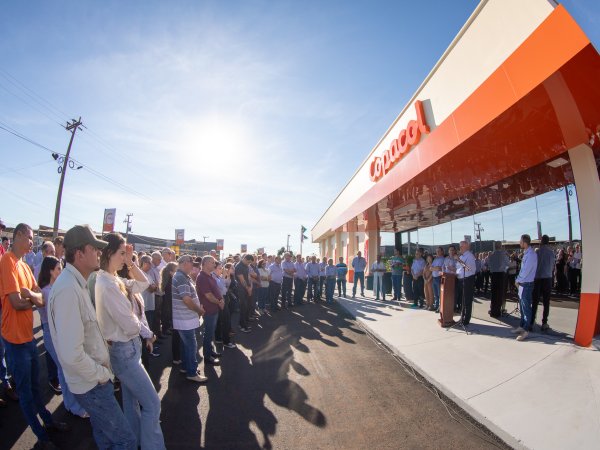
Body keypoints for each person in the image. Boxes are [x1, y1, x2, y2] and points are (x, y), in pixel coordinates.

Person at [0, 224, 70, 449]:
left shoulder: (23, 266)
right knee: (26, 393)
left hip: (28, 338)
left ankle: (48, 422)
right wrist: (33, 298)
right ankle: (42, 436)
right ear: (18, 235)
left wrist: (29, 296)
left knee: (35, 388)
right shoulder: (7, 262)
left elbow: (41, 298)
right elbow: (16, 303)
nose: (32, 242)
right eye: (30, 238)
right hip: (14, 340)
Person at [95, 233, 164, 449]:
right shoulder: (107, 284)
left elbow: (144, 283)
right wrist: (145, 330)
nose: (125, 257)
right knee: (152, 404)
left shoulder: (113, 279)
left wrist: (130, 262)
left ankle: (136, 443)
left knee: (132, 404)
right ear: (108, 253)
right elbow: (131, 326)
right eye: (121, 253)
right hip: (125, 352)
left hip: (127, 350)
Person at [38, 256, 88, 417]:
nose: (61, 271)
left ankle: (69, 404)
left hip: (58, 331)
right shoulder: (47, 291)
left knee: (64, 369)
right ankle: (74, 406)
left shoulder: (54, 288)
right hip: (52, 332)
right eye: (58, 268)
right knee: (65, 369)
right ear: (50, 271)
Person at [171, 255, 207, 382]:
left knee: (186, 345)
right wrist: (199, 310)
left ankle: (186, 367)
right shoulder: (181, 277)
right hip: (185, 319)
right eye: (191, 262)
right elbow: (186, 299)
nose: (193, 265)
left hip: (184, 319)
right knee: (191, 345)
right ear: (185, 263)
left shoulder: (182, 276)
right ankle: (192, 372)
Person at [196, 256, 225, 366]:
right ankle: (207, 356)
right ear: (205, 263)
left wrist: (221, 300)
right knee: (208, 334)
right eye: (212, 262)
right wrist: (219, 302)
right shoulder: (202, 277)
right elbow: (208, 295)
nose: (214, 264)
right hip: (209, 309)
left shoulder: (210, 276)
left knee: (210, 333)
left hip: (214, 308)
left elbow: (216, 291)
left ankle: (210, 351)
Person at [512, 234, 537, 341]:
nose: (519, 242)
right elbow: (523, 270)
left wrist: (517, 280)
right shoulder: (526, 253)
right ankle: (522, 326)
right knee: (522, 308)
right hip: (523, 284)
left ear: (525, 242)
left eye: (520, 241)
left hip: (526, 284)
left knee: (526, 308)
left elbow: (526, 271)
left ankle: (526, 330)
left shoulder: (531, 254)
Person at [531, 235, 554, 332]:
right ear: (548, 242)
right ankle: (544, 322)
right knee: (546, 301)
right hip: (547, 278)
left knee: (535, 301)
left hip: (537, 278)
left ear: (541, 241)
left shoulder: (537, 252)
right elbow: (552, 265)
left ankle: (532, 321)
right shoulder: (551, 253)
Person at [214, 262, 235, 349]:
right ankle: (226, 341)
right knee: (225, 320)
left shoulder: (218, 276)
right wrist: (223, 276)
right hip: (220, 300)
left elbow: (227, 285)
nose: (222, 270)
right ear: (214, 269)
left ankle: (219, 338)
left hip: (223, 298)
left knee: (221, 320)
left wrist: (228, 276)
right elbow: (222, 287)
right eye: (219, 268)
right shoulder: (213, 277)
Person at [456, 241, 476, 326]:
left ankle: (466, 319)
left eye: (461, 246)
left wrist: (458, 260)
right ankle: (462, 317)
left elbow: (468, 268)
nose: (460, 248)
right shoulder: (462, 256)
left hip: (468, 280)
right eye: (460, 246)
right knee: (462, 300)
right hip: (461, 279)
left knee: (467, 300)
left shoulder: (470, 256)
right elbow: (458, 268)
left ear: (466, 247)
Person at [488, 242, 509, 318]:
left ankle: (493, 311)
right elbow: (507, 264)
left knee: (494, 293)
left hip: (493, 275)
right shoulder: (504, 255)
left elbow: (489, 264)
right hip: (501, 275)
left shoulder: (491, 255)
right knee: (499, 293)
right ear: (500, 246)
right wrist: (504, 270)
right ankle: (497, 312)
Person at [235, 254, 254, 331]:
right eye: (248, 262)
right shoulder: (239, 266)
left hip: (247, 289)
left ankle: (244, 323)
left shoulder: (246, 266)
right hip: (241, 290)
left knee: (247, 307)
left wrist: (250, 287)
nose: (249, 264)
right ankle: (242, 326)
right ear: (245, 259)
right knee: (243, 308)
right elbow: (242, 280)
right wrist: (248, 289)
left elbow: (248, 277)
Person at [431, 247, 445, 312]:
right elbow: (430, 268)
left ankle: (440, 307)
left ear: (442, 251)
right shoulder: (435, 259)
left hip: (439, 278)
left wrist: (435, 268)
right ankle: (436, 306)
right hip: (434, 278)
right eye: (436, 251)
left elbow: (439, 268)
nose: (437, 252)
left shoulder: (443, 259)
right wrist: (435, 268)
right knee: (435, 294)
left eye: (439, 251)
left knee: (440, 294)